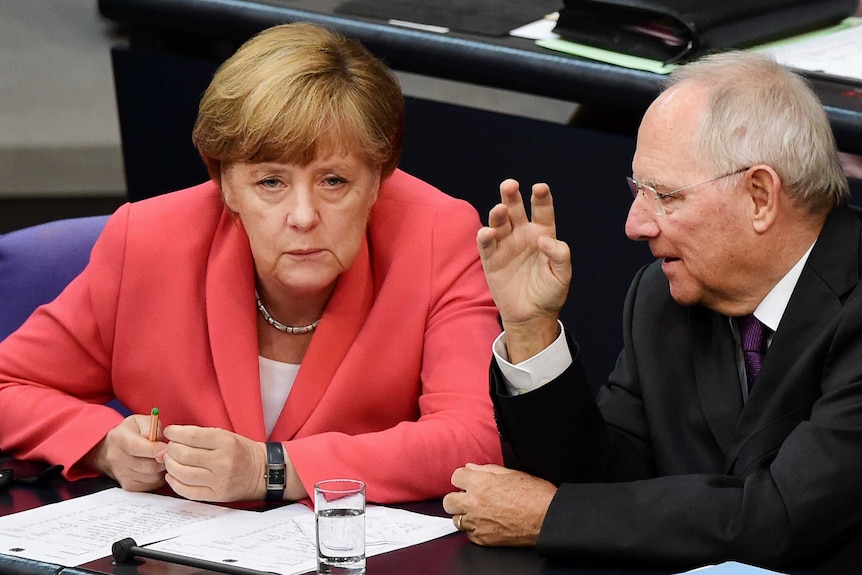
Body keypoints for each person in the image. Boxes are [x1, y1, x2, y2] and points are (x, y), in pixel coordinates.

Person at [0, 22, 503, 504]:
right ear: (225, 183)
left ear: (378, 178)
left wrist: (273, 469)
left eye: (334, 181)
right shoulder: (148, 242)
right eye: (271, 182)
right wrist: (104, 445)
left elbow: (474, 438)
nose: (303, 216)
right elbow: (8, 385)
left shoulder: (437, 236)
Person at [443, 50, 862, 569]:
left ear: (759, 196)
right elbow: (598, 482)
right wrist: (531, 329)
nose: (635, 224)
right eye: (636, 191)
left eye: (664, 195)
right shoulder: (661, 299)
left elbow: (781, 518)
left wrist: (555, 516)